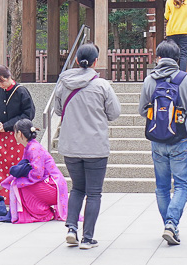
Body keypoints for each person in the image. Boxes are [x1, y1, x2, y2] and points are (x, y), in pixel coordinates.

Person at [51, 44, 121, 250]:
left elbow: (56, 110)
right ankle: (88, 238)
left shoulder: (64, 84)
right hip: (95, 146)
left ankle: (71, 228)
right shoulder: (102, 85)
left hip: (70, 146)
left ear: (76, 60)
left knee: (77, 188)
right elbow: (114, 113)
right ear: (95, 62)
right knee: (94, 193)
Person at [138, 39, 187, 246]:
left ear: (158, 57)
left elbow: (142, 110)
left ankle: (169, 224)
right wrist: (185, 120)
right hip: (181, 137)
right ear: (178, 58)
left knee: (161, 186)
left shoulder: (150, 80)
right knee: (182, 184)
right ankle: (171, 223)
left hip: (157, 139)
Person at [0, 118, 69, 223]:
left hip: (54, 185)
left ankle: (42, 213)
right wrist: (1, 185)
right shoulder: (29, 147)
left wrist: (20, 181)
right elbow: (22, 171)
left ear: (20, 134)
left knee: (19, 185)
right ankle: (40, 212)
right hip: (49, 183)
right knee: (17, 183)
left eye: (15, 132)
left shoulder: (34, 148)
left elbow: (37, 174)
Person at [0, 65, 35, 200]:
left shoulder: (21, 91)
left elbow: (28, 114)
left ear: (9, 77)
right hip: (4, 136)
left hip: (19, 135)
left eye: (2, 81)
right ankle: (7, 197)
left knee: (19, 166)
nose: (1, 85)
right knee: (5, 166)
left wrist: (8, 125)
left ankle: (22, 197)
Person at [164, 0, 187, 70]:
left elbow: (166, 16)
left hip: (172, 31)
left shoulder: (169, 1)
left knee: (171, 53)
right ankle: (182, 74)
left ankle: (172, 72)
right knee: (184, 54)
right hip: (185, 30)